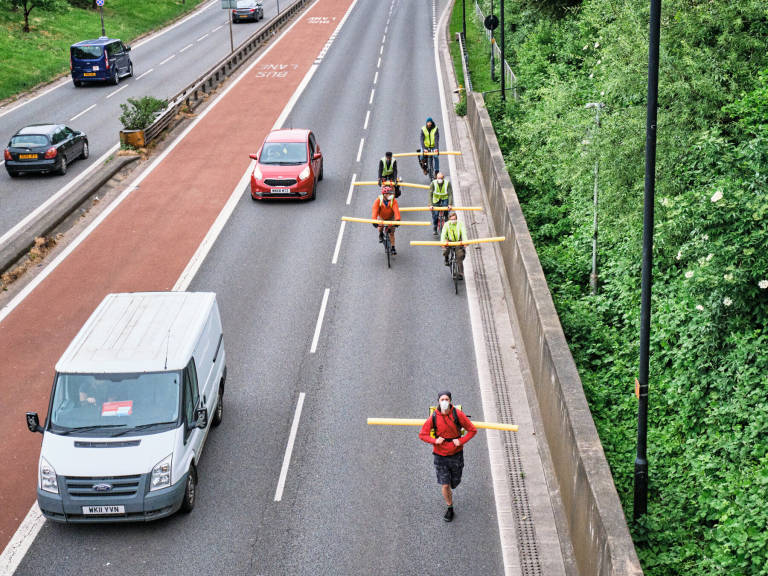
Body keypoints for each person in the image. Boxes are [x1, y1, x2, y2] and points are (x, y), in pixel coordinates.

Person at [419, 391, 476, 522]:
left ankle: (452, 487)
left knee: (454, 482)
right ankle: (450, 508)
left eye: (446, 399)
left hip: (456, 455)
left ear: (450, 401)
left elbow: (472, 430)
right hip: (440, 456)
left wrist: (460, 441)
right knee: (445, 485)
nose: (444, 401)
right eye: (442, 399)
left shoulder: (458, 414)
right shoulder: (434, 417)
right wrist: (435, 441)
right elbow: (422, 434)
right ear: (438, 401)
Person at [371, 185, 401, 254]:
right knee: (380, 226)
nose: (391, 195)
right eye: (389, 194)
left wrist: (397, 220)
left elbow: (396, 210)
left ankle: (393, 248)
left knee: (392, 232)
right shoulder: (378, 200)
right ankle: (381, 234)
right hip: (382, 217)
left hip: (391, 217)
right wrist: (374, 220)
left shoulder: (393, 201)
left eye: (391, 193)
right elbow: (375, 210)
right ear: (384, 194)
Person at [441, 211, 468, 279]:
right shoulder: (446, 224)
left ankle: (461, 273)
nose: (453, 221)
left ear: (456, 219)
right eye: (451, 219)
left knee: (459, 256)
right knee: (445, 250)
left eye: (454, 219)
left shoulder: (460, 224)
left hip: (458, 242)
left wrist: (465, 242)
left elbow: (464, 233)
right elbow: (443, 234)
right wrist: (442, 243)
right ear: (449, 219)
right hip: (449, 241)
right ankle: (446, 259)